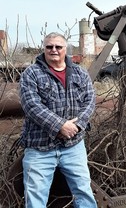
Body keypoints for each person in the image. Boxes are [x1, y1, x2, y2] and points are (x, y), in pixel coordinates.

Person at [19, 32, 98, 208]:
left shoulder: (80, 73)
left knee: (84, 193)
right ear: (44, 49)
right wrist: (60, 125)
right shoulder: (31, 74)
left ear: (65, 49)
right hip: (39, 148)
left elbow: (90, 100)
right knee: (35, 199)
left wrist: (77, 125)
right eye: (49, 47)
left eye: (58, 47)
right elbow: (31, 105)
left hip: (73, 146)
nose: (53, 50)